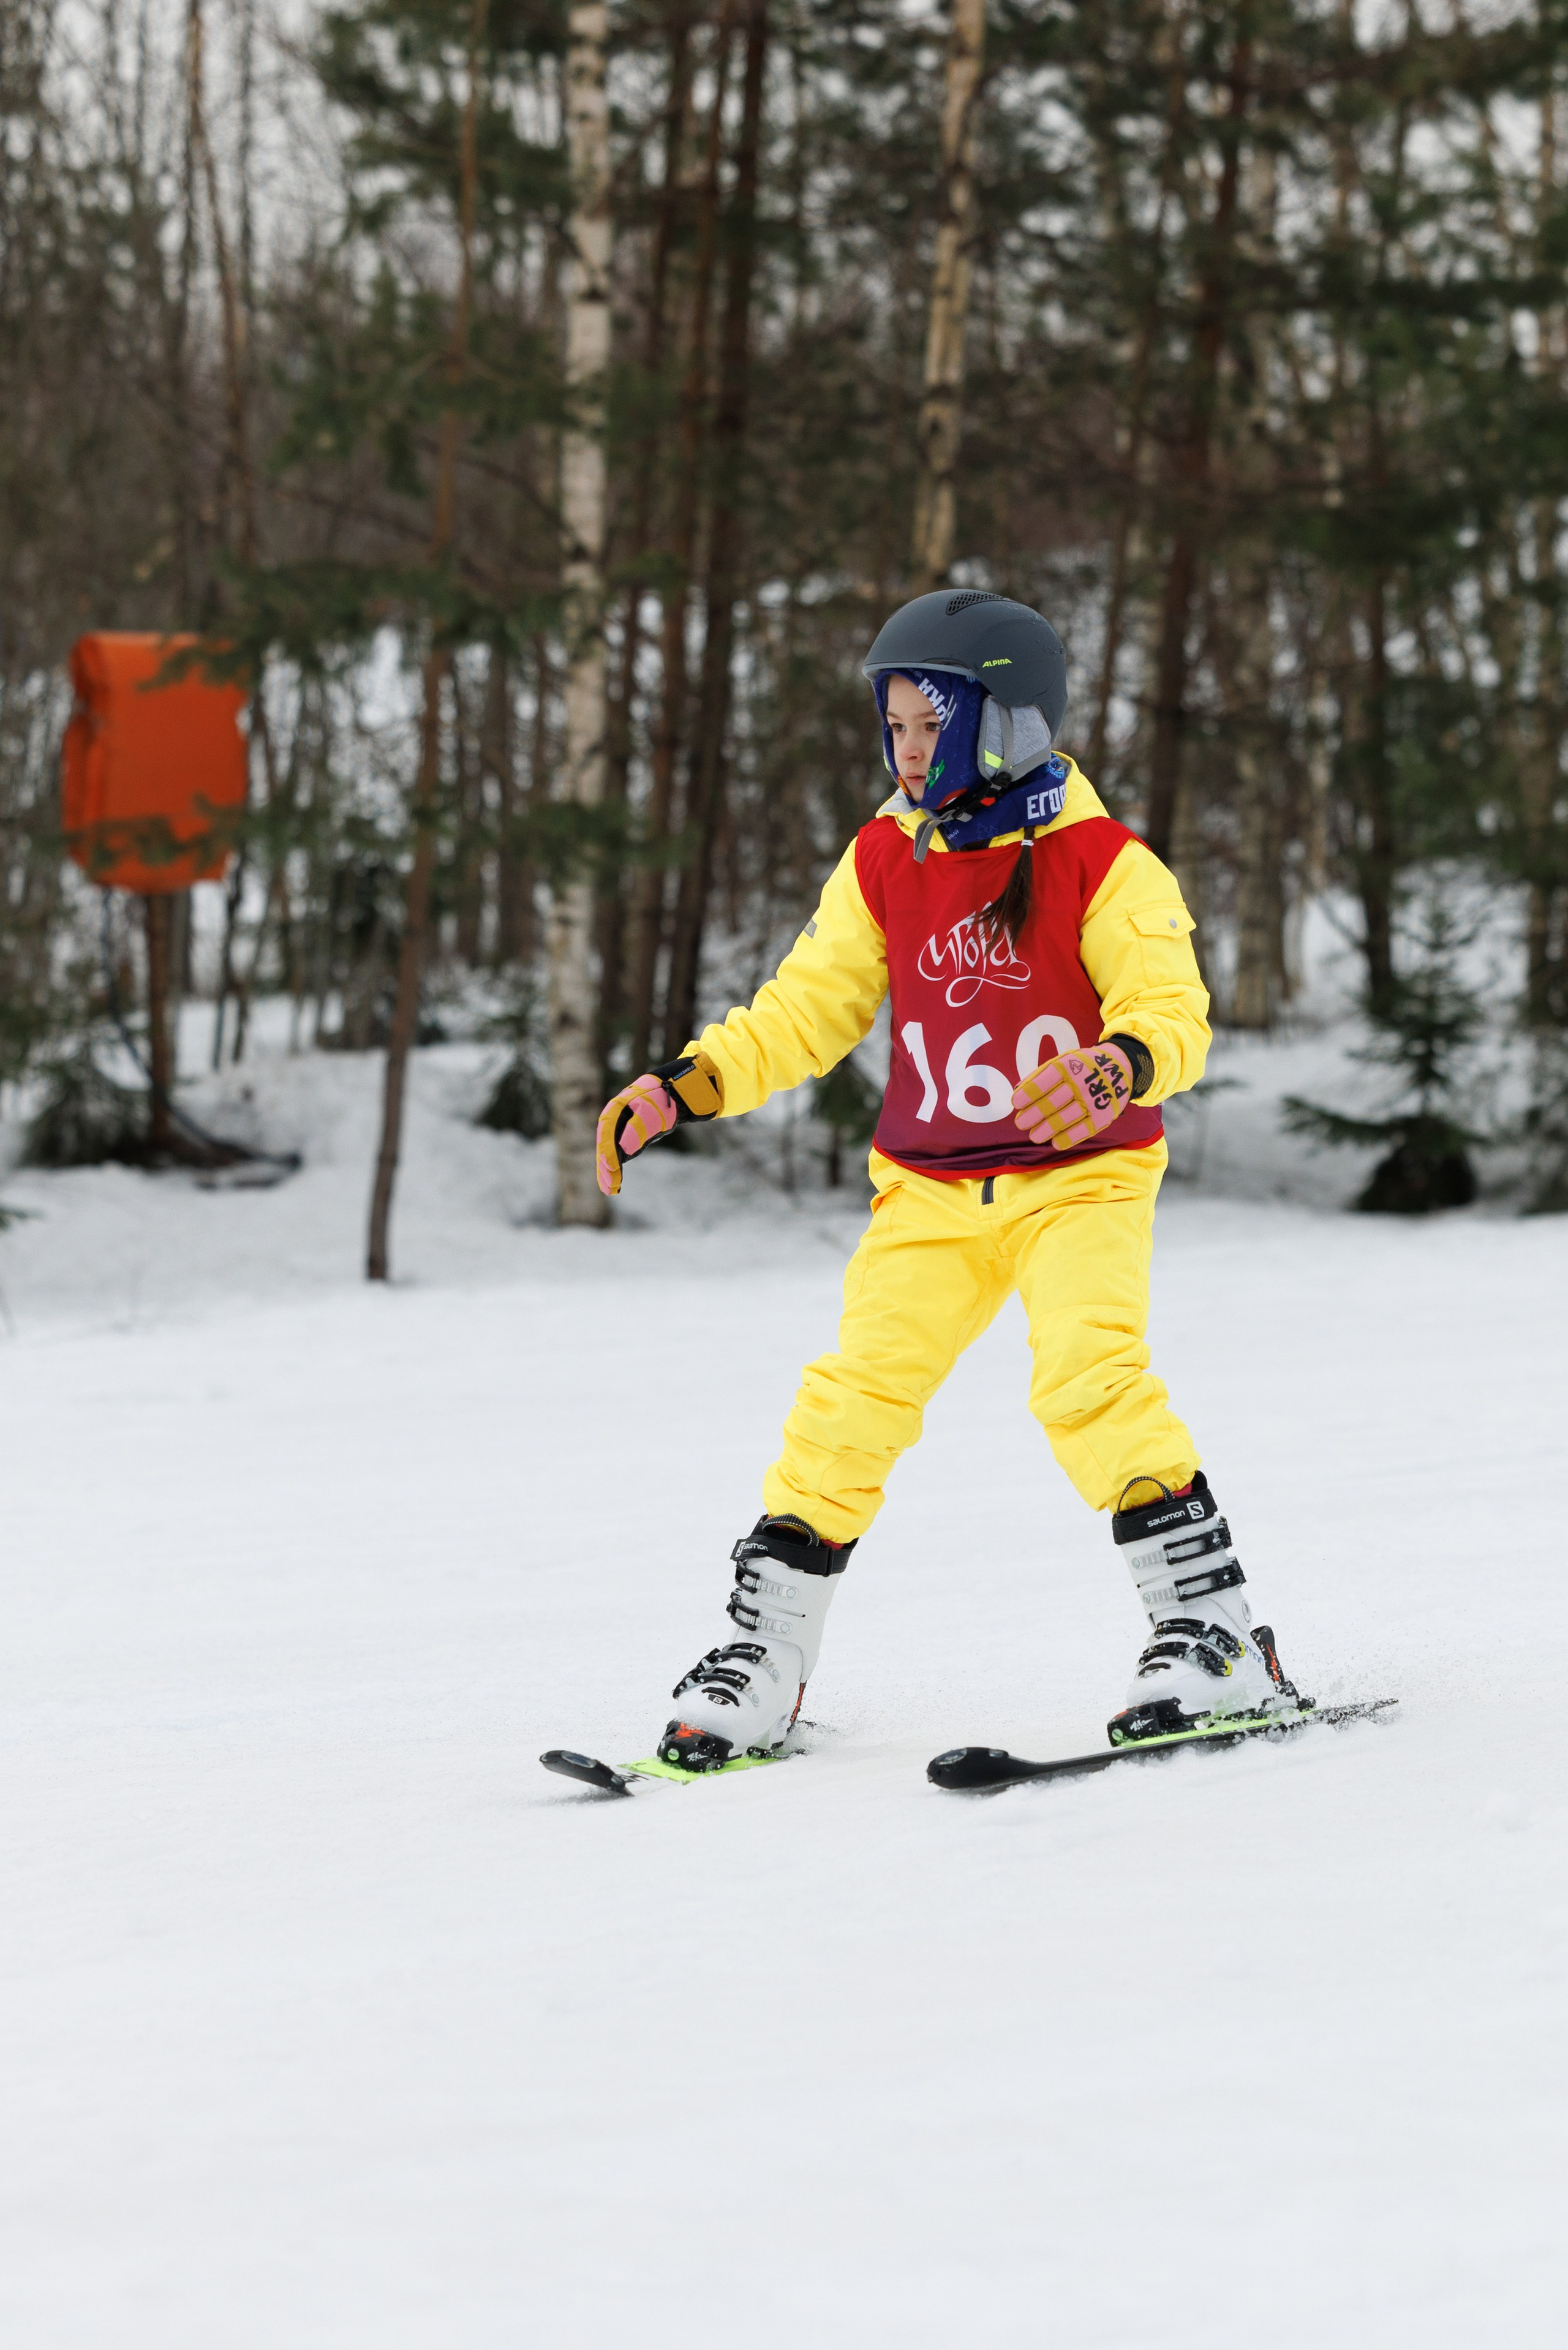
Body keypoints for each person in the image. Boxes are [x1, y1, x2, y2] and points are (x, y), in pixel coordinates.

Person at [595, 590, 1300, 1769]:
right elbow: (808, 1007)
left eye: (933, 726)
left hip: (1081, 1179)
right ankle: (765, 1659)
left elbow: (1175, 1014)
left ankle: (1216, 1633)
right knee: (849, 1403)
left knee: (1089, 1379)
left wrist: (1119, 1062)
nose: (908, 751)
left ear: (1007, 723)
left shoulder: (1103, 861)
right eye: (896, 727)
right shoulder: (886, 855)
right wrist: (692, 1081)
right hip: (926, 1191)